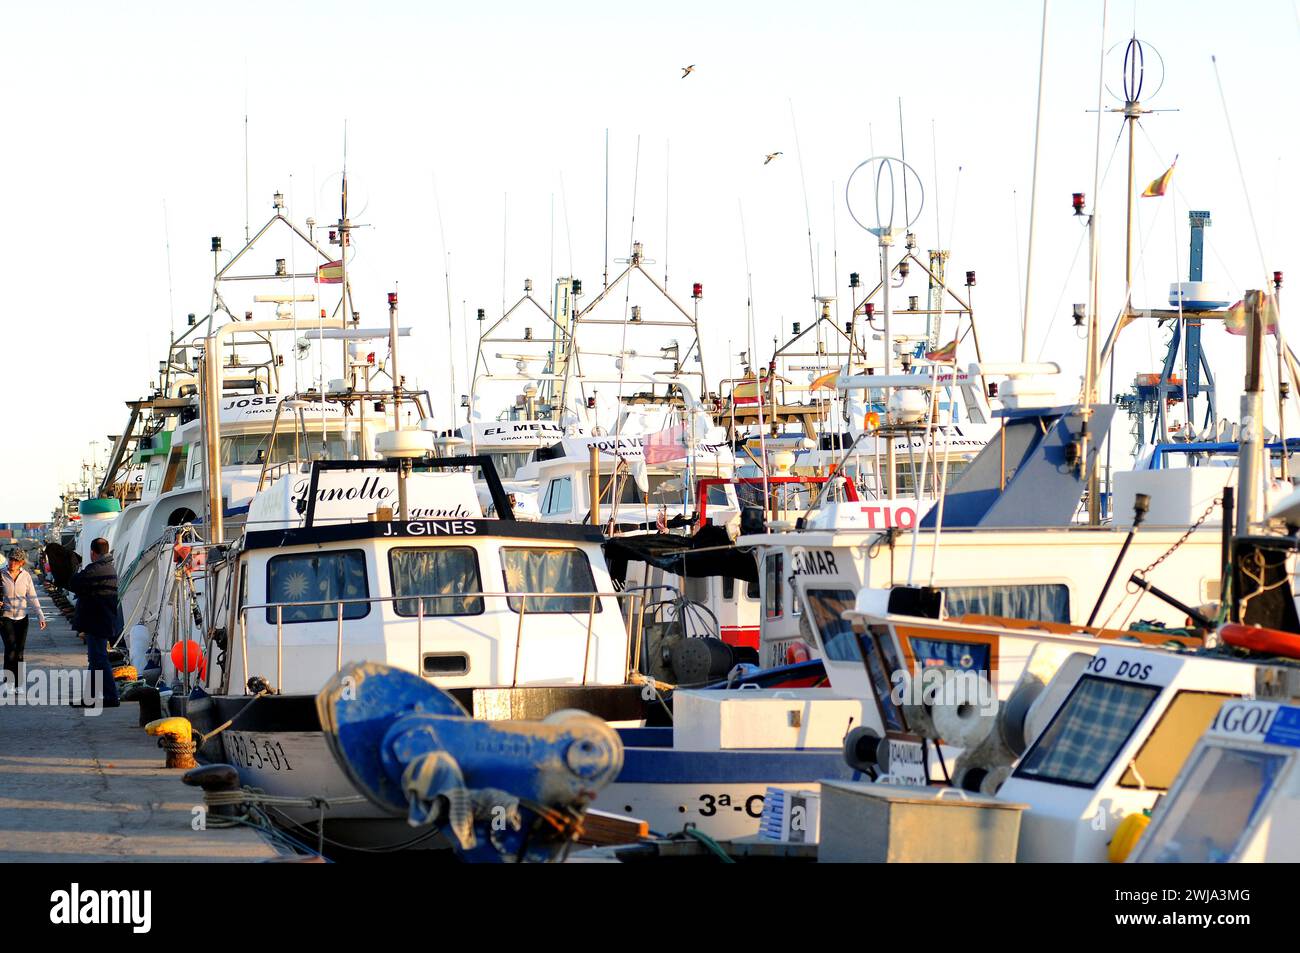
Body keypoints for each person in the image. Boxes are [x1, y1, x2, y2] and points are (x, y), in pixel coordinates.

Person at [66, 537, 121, 708]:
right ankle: (90, 698)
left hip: (97, 620)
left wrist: (75, 568)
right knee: (95, 659)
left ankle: (112, 697)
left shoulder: (95, 568)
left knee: (100, 659)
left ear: (92, 552)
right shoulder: (109, 567)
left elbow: (73, 583)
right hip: (103, 619)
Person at [1, 549, 46, 694]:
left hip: (22, 618)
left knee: (19, 652)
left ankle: (18, 684)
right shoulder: (1, 574)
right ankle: (8, 682)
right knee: (10, 650)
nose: (12, 563)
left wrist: (40, 615)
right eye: (10, 559)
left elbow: (32, 597)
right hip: (5, 617)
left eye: (15, 560)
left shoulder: (26, 576)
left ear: (21, 563)